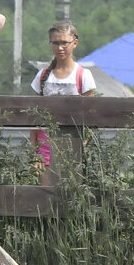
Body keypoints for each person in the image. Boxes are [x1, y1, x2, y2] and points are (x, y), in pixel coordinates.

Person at [30, 21, 96, 182]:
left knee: (70, 195)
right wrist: (35, 152)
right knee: (45, 195)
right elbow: (33, 116)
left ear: (75, 43)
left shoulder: (83, 75)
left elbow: (91, 117)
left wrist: (84, 145)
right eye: (55, 43)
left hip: (73, 142)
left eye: (64, 43)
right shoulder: (43, 75)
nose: (60, 47)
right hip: (45, 145)